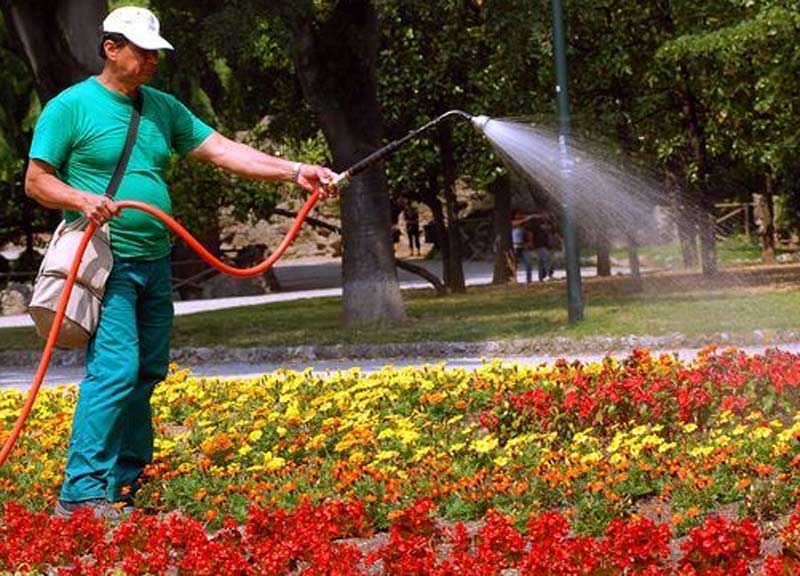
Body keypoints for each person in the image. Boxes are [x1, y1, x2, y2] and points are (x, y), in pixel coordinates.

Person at [24, 6, 338, 520]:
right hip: (108, 264)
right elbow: (37, 181)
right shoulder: (72, 107)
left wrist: (295, 170)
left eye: (156, 53)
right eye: (143, 52)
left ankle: (124, 485)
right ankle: (81, 493)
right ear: (111, 48)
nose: (153, 61)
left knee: (146, 371)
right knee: (116, 370)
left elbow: (222, 150)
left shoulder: (162, 108)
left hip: (154, 263)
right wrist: (80, 199)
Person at [511, 211, 534, 283]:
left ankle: (529, 280)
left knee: (529, 262)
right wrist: (526, 218)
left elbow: (529, 234)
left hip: (523, 246)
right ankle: (513, 279)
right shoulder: (512, 223)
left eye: (520, 215)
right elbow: (514, 223)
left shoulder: (524, 227)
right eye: (518, 215)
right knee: (514, 264)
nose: (519, 216)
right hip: (515, 246)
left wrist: (529, 242)